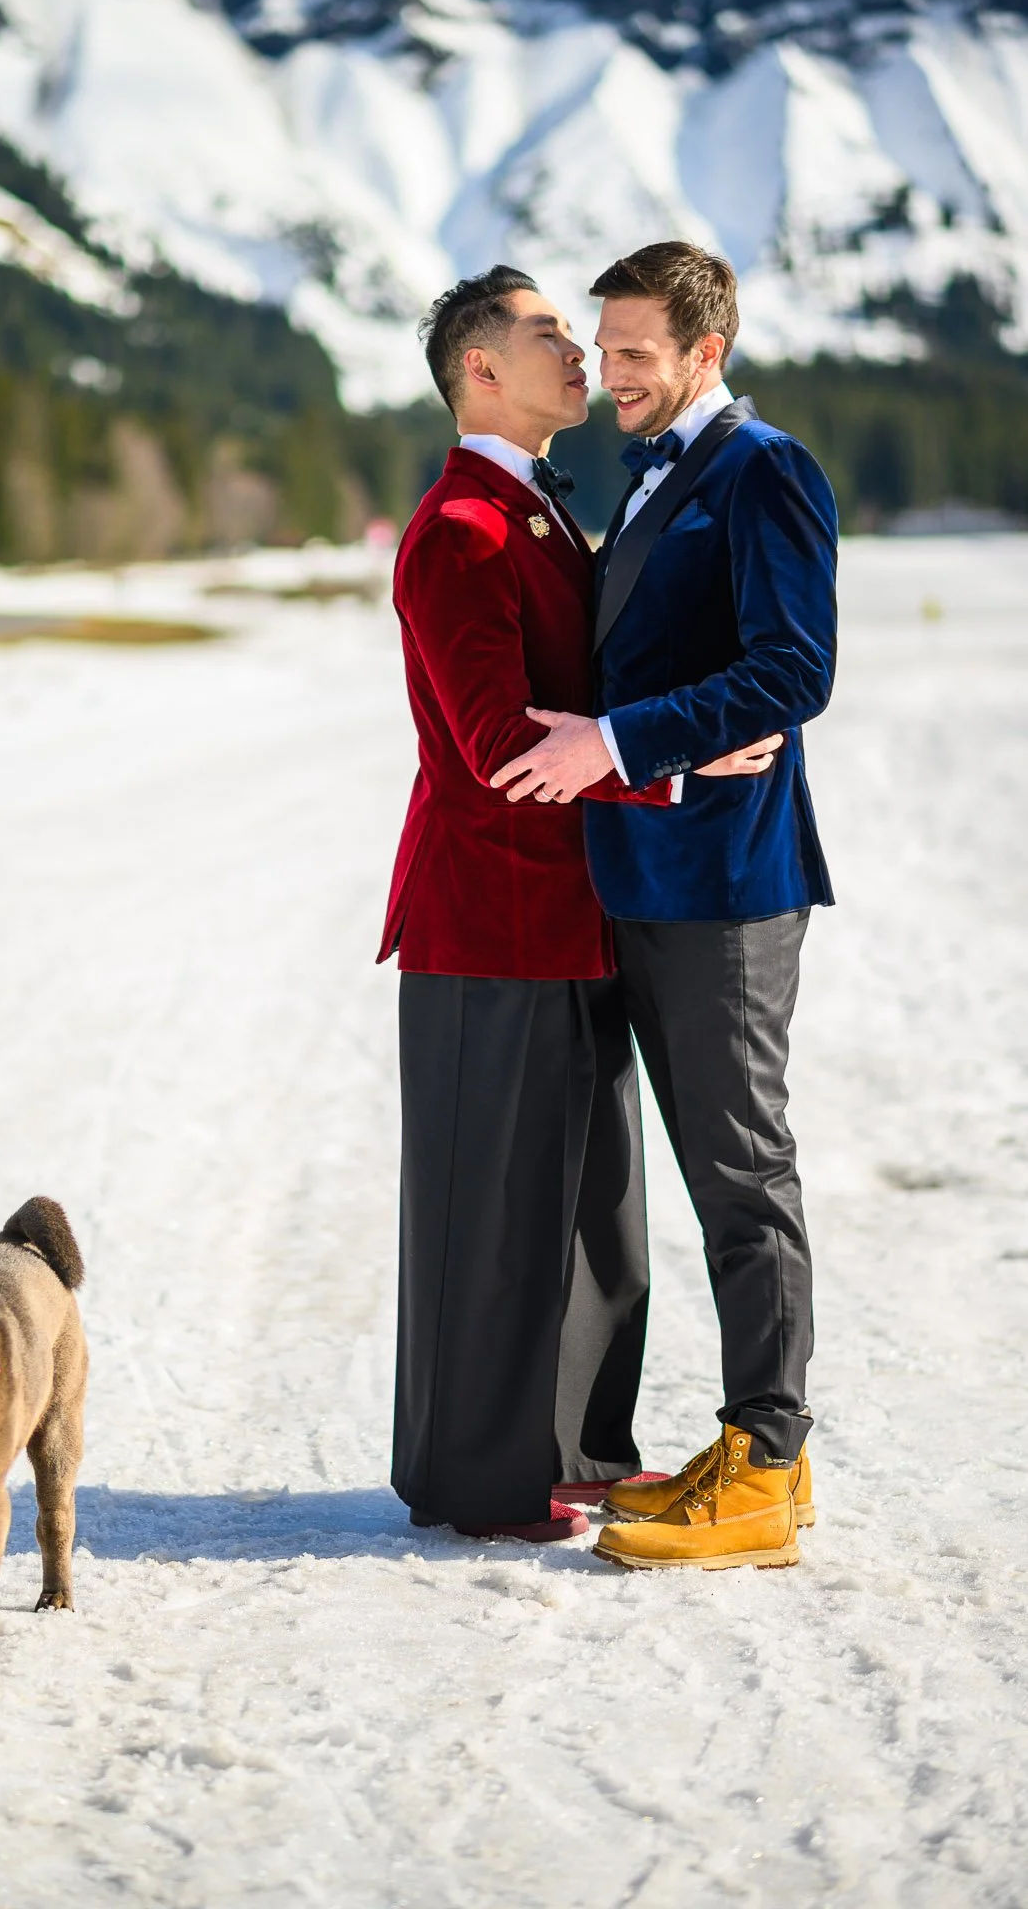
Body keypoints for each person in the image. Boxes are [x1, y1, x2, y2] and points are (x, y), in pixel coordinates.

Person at [380, 265, 773, 1542]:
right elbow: (502, 747)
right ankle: (482, 1482)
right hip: (487, 921)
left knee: (592, 1212)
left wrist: (677, 734)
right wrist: (669, 771)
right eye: (549, 331)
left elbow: (597, 699)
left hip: (569, 915)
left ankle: (584, 1452)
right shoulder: (459, 532)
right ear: (479, 369)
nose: (579, 352)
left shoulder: (541, 513)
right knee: (493, 1216)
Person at [490, 242, 837, 1571]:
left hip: (728, 887)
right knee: (694, 1171)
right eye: (606, 345)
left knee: (742, 1170)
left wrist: (624, 741)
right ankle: (757, 1457)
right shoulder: (652, 475)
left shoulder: (765, 470)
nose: (612, 373)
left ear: (707, 349)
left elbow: (793, 668)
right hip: (637, 878)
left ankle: (766, 1457)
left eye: (636, 352)